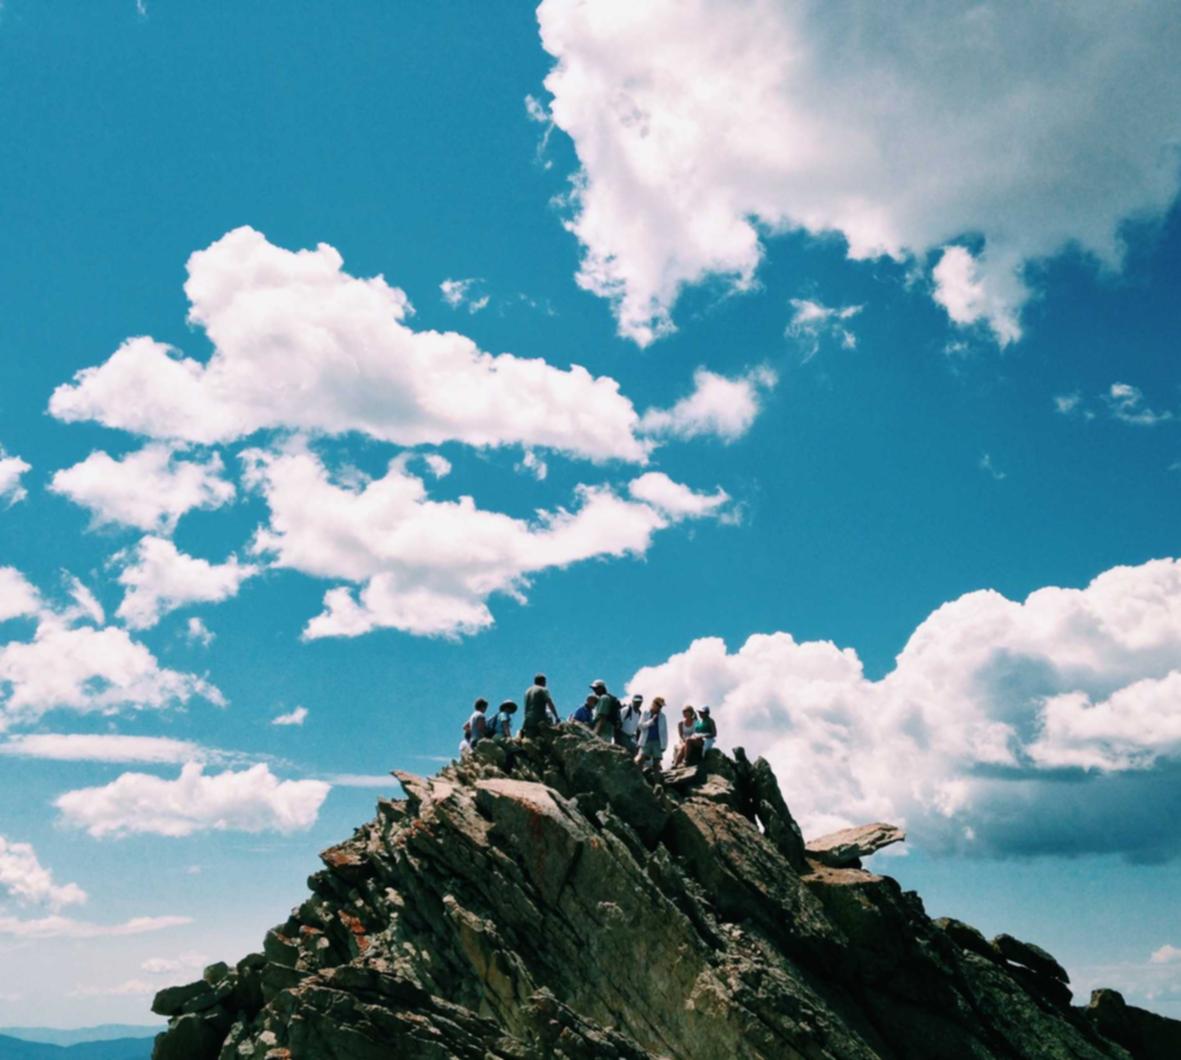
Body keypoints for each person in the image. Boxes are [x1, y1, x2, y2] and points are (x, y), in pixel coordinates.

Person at [634, 696, 667, 770]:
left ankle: (657, 778)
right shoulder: (645, 713)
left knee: (656, 762)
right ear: (654, 704)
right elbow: (640, 726)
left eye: (661, 706)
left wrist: (664, 745)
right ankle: (637, 775)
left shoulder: (662, 716)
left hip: (658, 742)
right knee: (640, 759)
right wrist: (651, 721)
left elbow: (664, 732)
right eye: (658, 705)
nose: (660, 707)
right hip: (646, 741)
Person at [524, 673, 556, 738]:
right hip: (539, 719)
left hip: (528, 721)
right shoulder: (543, 689)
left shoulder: (527, 691)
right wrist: (556, 717)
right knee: (549, 715)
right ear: (543, 682)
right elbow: (550, 703)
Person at [590, 679, 622, 743]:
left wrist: (595, 732)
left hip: (603, 730)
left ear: (601, 688)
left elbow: (602, 717)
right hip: (609, 730)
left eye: (596, 688)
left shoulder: (604, 698)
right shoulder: (608, 697)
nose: (594, 690)